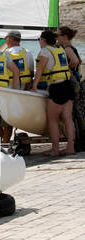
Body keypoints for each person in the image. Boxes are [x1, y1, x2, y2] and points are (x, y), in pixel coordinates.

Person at [33, 29, 76, 157]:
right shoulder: (60, 50)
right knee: (68, 118)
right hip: (68, 85)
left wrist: (34, 86)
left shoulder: (45, 51)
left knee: (53, 120)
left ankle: (55, 149)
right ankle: (70, 147)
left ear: (43, 40)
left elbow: (39, 70)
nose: (39, 42)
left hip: (57, 87)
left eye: (40, 39)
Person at [58, 26, 85, 150]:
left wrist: (66, 69)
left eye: (58, 36)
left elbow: (75, 61)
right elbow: (79, 60)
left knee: (73, 114)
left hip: (71, 82)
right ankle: (79, 142)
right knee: (77, 113)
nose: (57, 38)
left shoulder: (67, 48)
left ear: (64, 37)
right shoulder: (71, 48)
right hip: (75, 82)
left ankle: (77, 143)